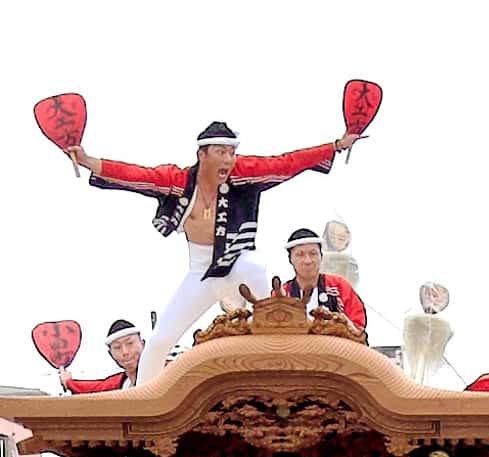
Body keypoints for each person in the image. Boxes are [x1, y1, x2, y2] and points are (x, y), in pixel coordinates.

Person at [68, 121, 361, 382]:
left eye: (231, 153)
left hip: (239, 264)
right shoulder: (178, 181)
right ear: (202, 155)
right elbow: (135, 176)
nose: (229, 160)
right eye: (221, 153)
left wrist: (334, 146)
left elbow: (287, 163)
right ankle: (140, 401)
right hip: (202, 274)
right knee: (159, 342)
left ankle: (283, 343)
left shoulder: (244, 174)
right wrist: (88, 160)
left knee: (256, 269)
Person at [280, 228, 366, 331]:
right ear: (290, 259)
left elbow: (357, 325)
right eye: (300, 255)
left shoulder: (339, 287)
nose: (308, 261)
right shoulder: (283, 293)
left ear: (321, 256)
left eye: (313, 253)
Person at [58, 319, 144, 392]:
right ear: (110, 354)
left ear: (143, 344)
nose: (125, 352)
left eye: (130, 343)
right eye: (117, 347)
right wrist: (69, 382)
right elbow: (94, 388)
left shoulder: (156, 375)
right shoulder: (121, 384)